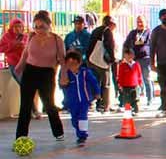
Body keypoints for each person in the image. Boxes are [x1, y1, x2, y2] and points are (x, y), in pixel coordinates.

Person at [14, 11, 66, 140]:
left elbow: (62, 59)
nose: (38, 30)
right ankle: (21, 136)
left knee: (49, 104)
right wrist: (19, 67)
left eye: (41, 26)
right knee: (25, 105)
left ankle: (58, 132)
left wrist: (64, 75)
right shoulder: (31, 37)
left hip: (47, 73)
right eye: (36, 27)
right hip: (30, 72)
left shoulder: (56, 39)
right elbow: (25, 54)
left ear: (49, 25)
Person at [61, 51, 100, 145]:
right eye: (69, 64)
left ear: (79, 63)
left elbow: (94, 82)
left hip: (84, 100)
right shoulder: (66, 74)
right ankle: (79, 130)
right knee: (74, 119)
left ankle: (82, 135)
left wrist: (97, 93)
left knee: (83, 117)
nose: (72, 66)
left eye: (74, 64)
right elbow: (62, 84)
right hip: (72, 101)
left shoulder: (85, 73)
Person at [86, 15, 116, 113]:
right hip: (102, 62)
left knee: (95, 83)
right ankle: (105, 105)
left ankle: (94, 103)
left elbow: (90, 45)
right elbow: (109, 46)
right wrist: (112, 59)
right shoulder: (107, 31)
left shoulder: (95, 30)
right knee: (105, 84)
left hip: (92, 60)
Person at [123, 16, 154, 107]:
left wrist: (153, 58)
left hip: (146, 59)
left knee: (147, 79)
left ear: (145, 22)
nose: (139, 24)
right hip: (135, 59)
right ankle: (136, 99)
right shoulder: (133, 33)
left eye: (141, 21)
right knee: (135, 80)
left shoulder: (148, 32)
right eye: (138, 22)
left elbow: (152, 45)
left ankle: (150, 99)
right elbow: (126, 44)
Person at [0, 18, 28, 85]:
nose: (18, 28)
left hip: (26, 64)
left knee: (26, 85)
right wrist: (12, 45)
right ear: (11, 27)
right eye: (15, 26)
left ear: (22, 27)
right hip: (14, 64)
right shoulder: (6, 36)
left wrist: (23, 46)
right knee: (23, 84)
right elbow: (1, 49)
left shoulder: (26, 36)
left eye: (20, 26)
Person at [117, 48, 142, 115]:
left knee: (135, 98)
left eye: (130, 55)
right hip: (126, 86)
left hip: (135, 85)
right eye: (126, 56)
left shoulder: (136, 64)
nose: (129, 57)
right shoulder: (122, 65)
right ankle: (127, 110)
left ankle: (135, 110)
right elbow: (120, 76)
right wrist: (120, 85)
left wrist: (140, 83)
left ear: (133, 56)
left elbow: (139, 75)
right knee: (127, 99)